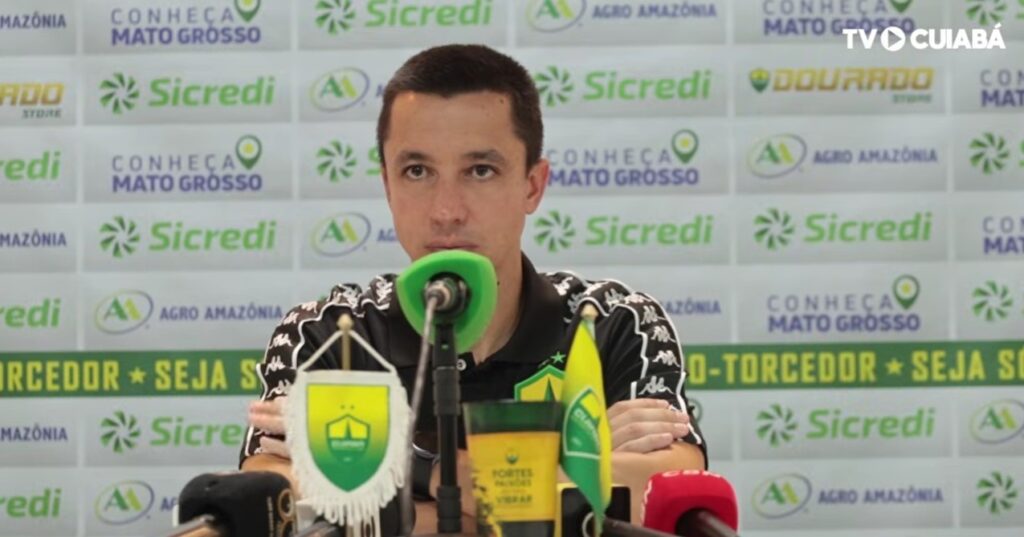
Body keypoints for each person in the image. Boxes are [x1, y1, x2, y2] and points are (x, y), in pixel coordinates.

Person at [240, 44, 707, 533]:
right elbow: (276, 501)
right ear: (387, 186)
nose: (447, 210)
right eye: (417, 171)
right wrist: (564, 475)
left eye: (480, 170)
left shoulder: (613, 320)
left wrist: (395, 476)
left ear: (532, 185)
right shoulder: (330, 333)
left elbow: (661, 489)